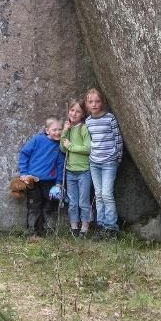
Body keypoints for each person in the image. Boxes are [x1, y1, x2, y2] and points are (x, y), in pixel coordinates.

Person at [84, 88, 123, 237]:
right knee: (98, 194)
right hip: (94, 162)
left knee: (107, 194)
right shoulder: (87, 122)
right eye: (91, 102)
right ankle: (101, 225)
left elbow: (118, 138)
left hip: (109, 162)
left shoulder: (110, 118)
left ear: (102, 102)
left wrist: (118, 157)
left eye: (97, 101)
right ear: (87, 104)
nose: (94, 104)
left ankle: (111, 227)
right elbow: (89, 142)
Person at [17, 117, 65, 238]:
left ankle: (42, 230)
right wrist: (24, 172)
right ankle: (32, 232)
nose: (58, 132)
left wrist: (59, 182)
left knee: (49, 204)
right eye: (54, 129)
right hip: (33, 180)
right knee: (34, 205)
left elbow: (60, 165)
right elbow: (24, 153)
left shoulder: (60, 146)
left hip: (50, 181)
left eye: (60, 129)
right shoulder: (38, 139)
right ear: (47, 130)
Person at [60, 98, 92, 238]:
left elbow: (88, 148)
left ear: (82, 115)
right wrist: (64, 132)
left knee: (83, 201)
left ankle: (85, 227)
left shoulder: (83, 128)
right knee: (72, 202)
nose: (74, 113)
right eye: (72, 110)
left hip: (84, 171)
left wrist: (71, 146)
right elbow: (62, 148)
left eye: (77, 111)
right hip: (70, 171)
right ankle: (74, 226)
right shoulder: (67, 128)